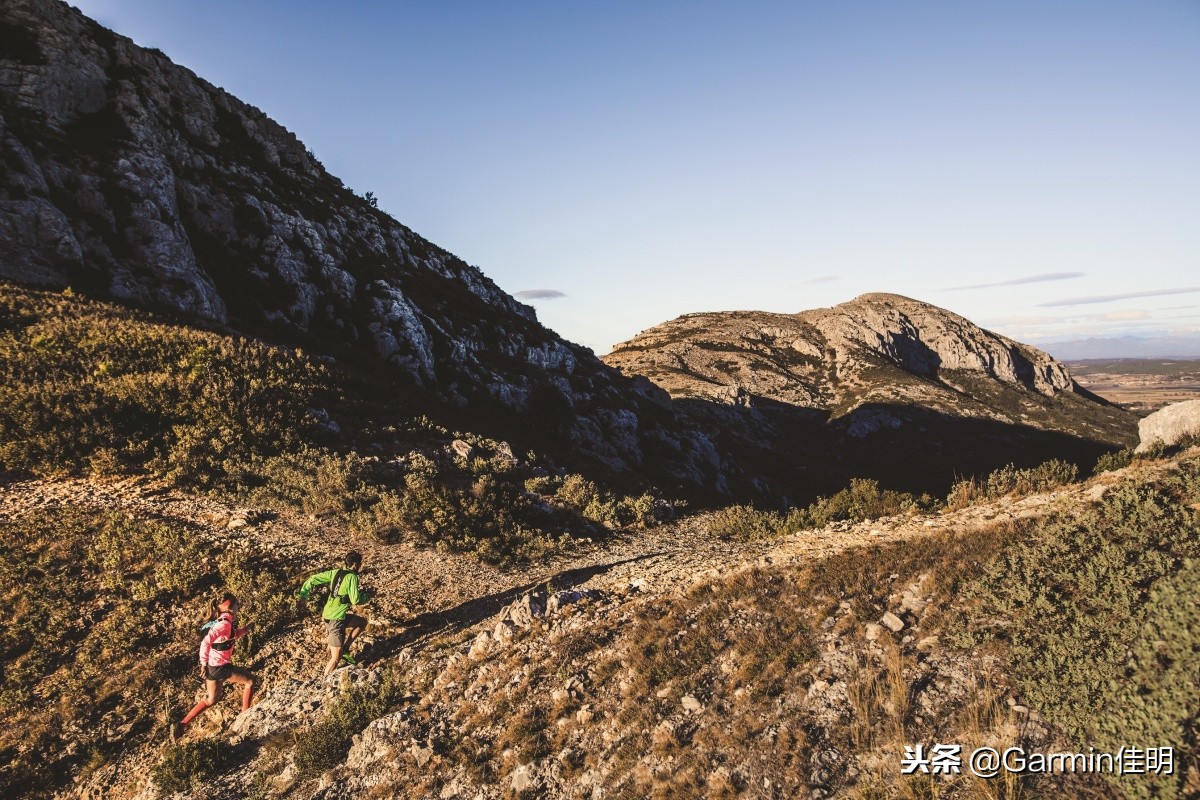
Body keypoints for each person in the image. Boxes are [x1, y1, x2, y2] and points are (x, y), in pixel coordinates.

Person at [171, 593, 255, 741]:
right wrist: (202, 663)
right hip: (220, 667)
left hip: (212, 668)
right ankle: (246, 715)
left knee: (211, 700)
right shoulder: (224, 624)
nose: (238, 607)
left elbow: (231, 635)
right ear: (230, 607)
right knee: (250, 681)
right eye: (236, 605)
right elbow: (206, 643)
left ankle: (182, 724)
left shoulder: (222, 621)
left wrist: (246, 630)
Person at [298, 551, 371, 676]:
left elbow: (312, 579)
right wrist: (367, 597)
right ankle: (324, 683)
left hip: (329, 615)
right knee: (335, 658)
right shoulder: (352, 577)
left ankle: (346, 648)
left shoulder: (335, 572)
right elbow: (356, 600)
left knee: (362, 622)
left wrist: (303, 595)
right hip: (336, 620)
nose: (360, 566)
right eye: (360, 564)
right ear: (354, 564)